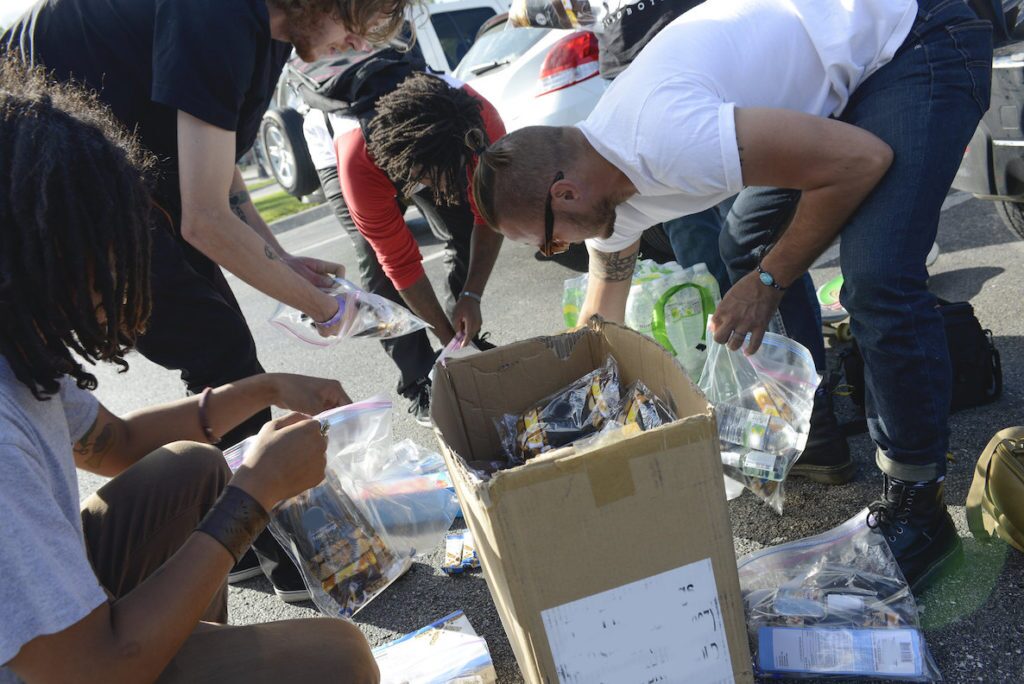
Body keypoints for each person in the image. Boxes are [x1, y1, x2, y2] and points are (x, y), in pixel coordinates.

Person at [473, 0, 994, 590]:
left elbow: (858, 162)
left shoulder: (665, 140)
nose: (553, 250)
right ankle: (811, 433)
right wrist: (551, 444)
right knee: (744, 243)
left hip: (915, 41)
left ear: (564, 195)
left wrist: (770, 282)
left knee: (876, 281)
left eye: (544, 241)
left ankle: (918, 504)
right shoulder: (606, 186)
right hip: (845, 77)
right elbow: (600, 322)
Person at [1, 0, 407, 600]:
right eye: (356, 18)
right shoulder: (219, 12)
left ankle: (232, 535)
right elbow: (206, 223)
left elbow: (214, 169)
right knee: (218, 344)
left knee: (221, 343)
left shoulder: (271, 31)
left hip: (130, 178)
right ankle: (274, 547)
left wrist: (282, 259)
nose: (355, 40)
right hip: (46, 180)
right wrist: (327, 309)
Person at [303, 65, 505, 425]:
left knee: (463, 227)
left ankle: (466, 335)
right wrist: (448, 347)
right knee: (376, 264)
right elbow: (400, 263)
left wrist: (471, 295)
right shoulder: (358, 162)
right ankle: (419, 379)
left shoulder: (481, 122)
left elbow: (490, 215)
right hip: (340, 146)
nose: (431, 186)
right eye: (425, 178)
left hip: (436, 144)